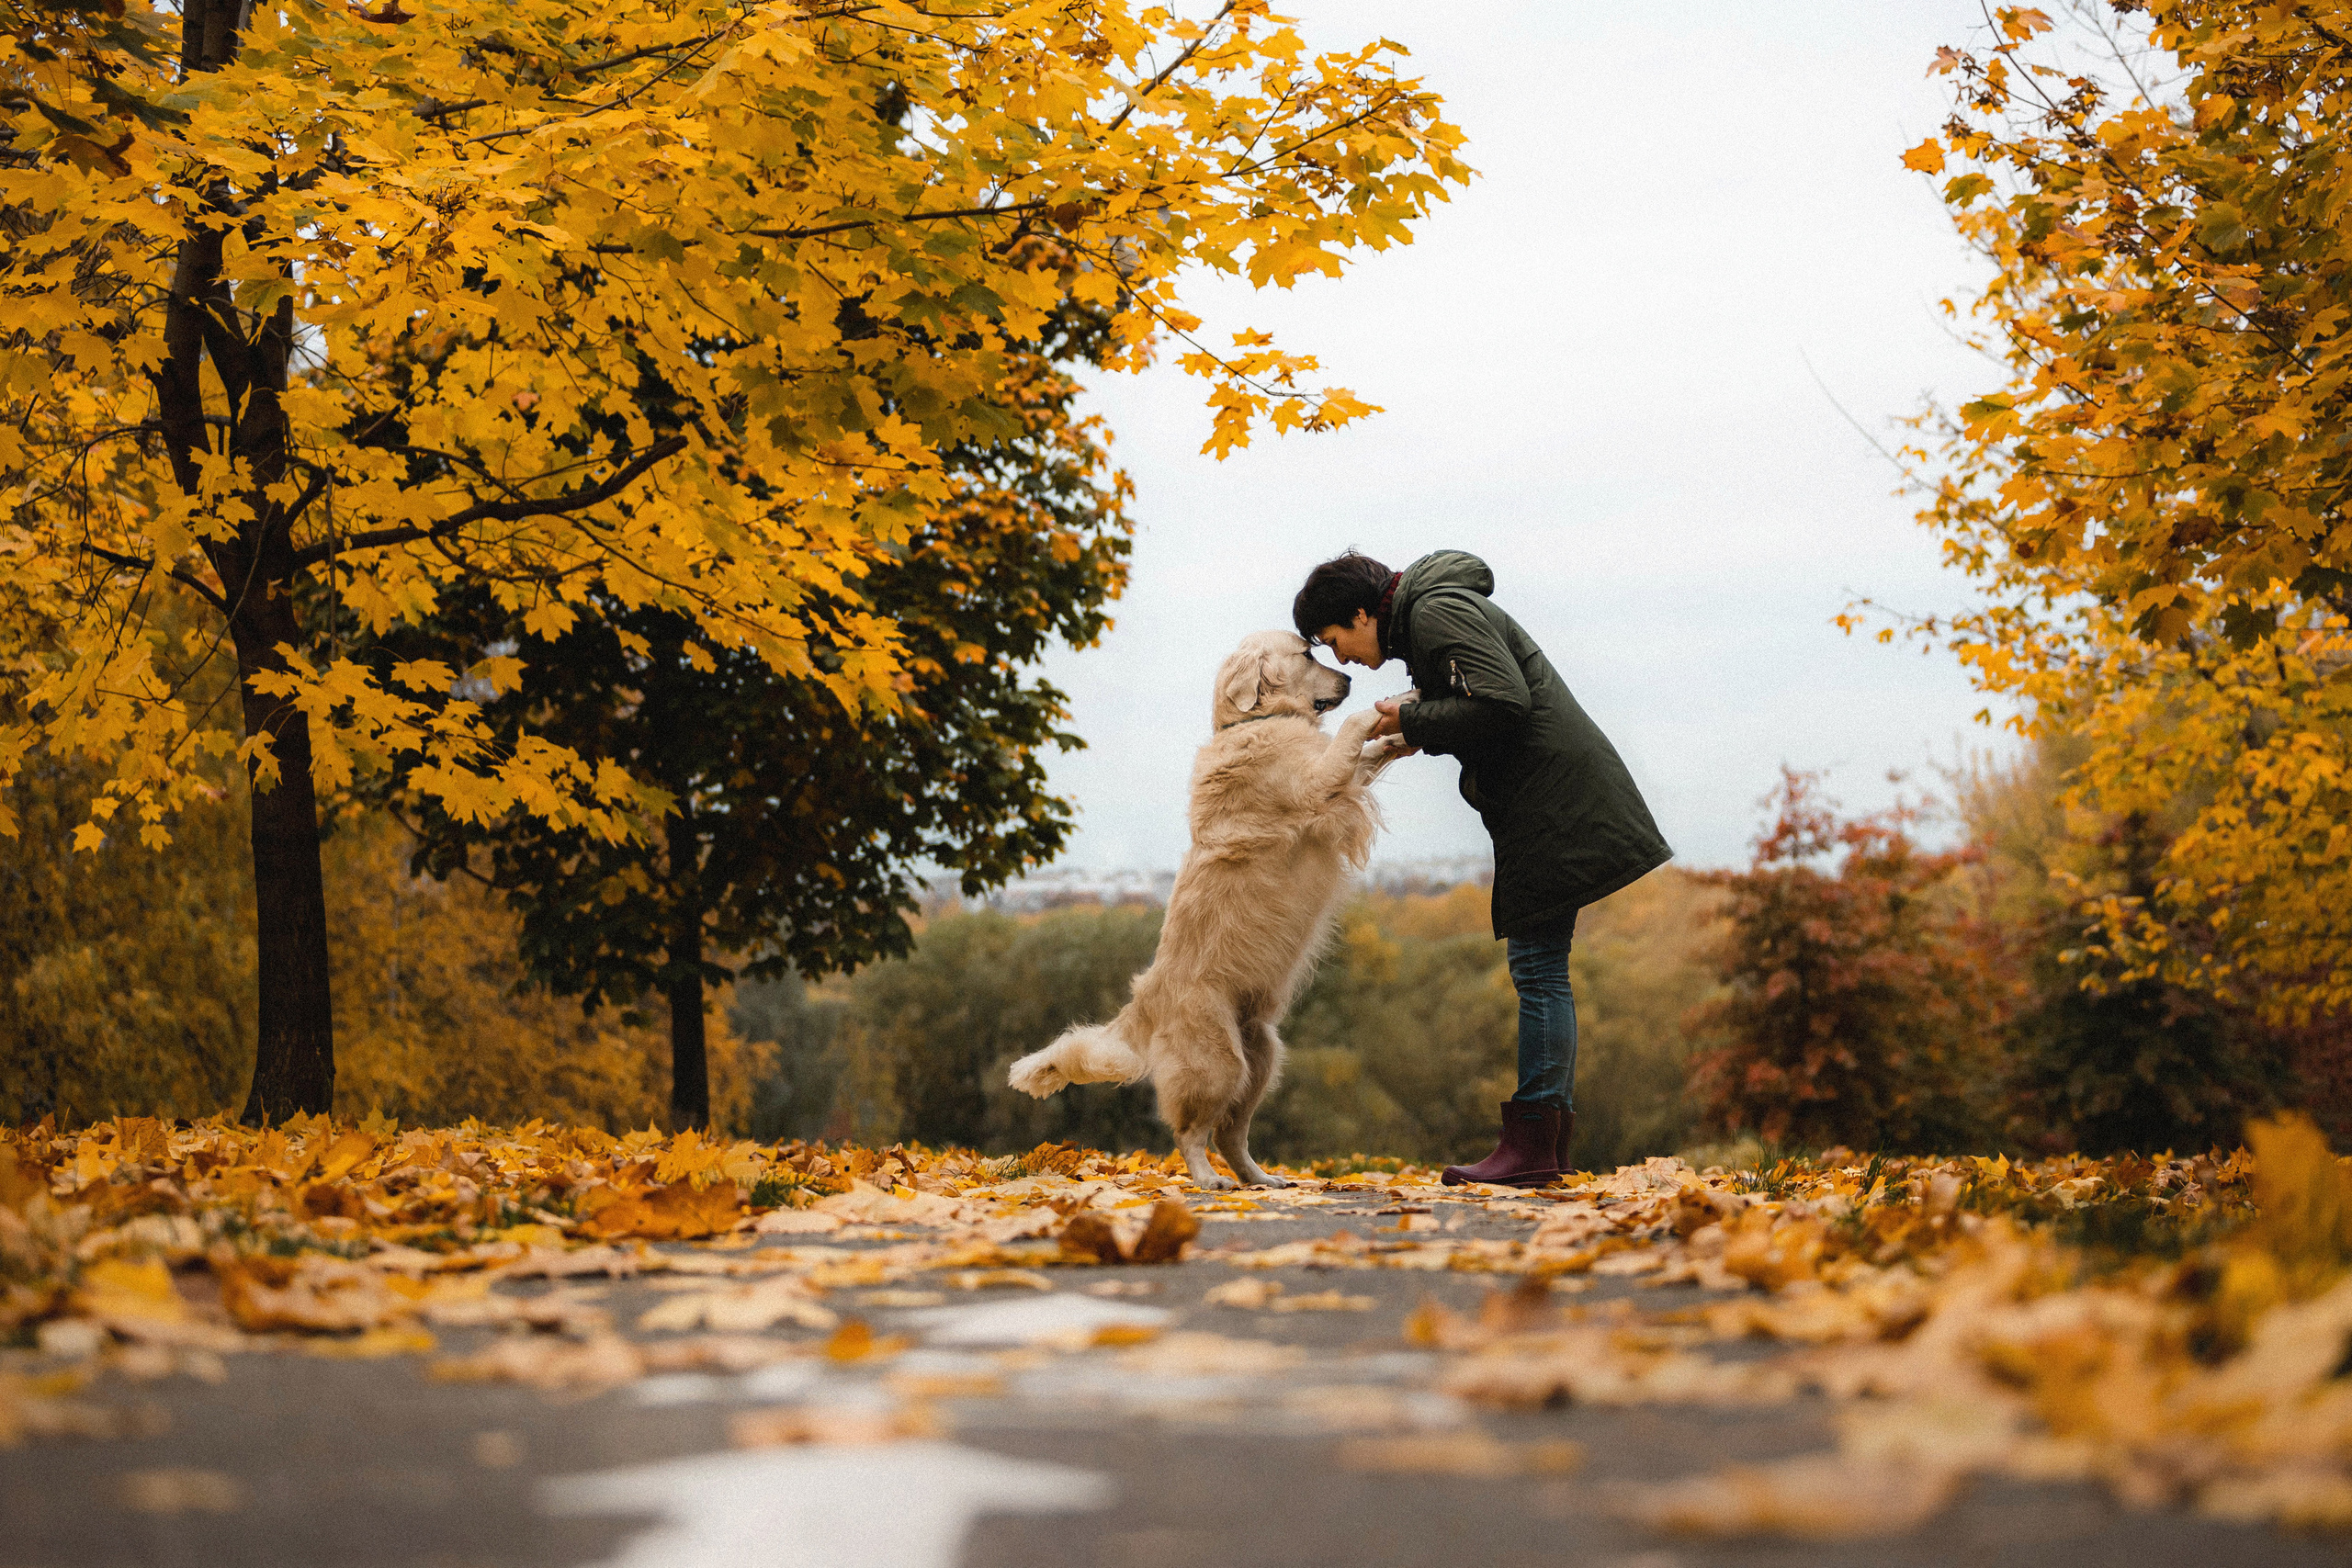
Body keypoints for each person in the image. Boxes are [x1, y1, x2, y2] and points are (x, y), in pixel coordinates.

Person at [1293, 549, 1671, 1187]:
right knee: (1541, 967)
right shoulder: (1432, 615)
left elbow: (1503, 703)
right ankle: (1539, 1142)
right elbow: (1481, 702)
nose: (1345, 658)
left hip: (1553, 805)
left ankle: (1534, 1146)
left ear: (1361, 612)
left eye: (1337, 641)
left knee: (1539, 969)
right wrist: (1420, 725)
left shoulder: (1437, 610)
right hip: (1552, 800)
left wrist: (1413, 716)